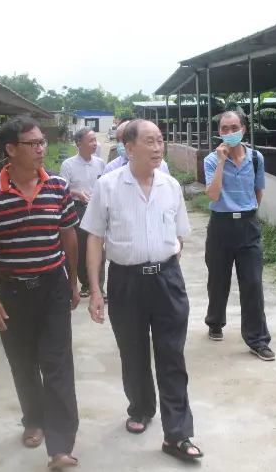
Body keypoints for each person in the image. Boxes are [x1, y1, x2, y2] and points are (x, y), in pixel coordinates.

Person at [80, 119, 203, 462]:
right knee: (133, 353)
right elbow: (94, 239)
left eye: (160, 141)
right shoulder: (107, 186)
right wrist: (96, 288)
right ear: (128, 147)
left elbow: (180, 235)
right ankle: (141, 408)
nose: (157, 147)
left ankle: (177, 434)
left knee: (172, 356)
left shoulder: (171, 186)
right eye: (149, 141)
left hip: (166, 279)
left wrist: (165, 260)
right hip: (125, 280)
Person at [0, 116, 82, 469]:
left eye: (42, 142)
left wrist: (74, 282)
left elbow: (69, 236)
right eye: (33, 144)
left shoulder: (58, 187)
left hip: (52, 288)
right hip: (13, 291)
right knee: (23, 362)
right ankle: (33, 419)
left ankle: (60, 444)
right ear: (10, 149)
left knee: (57, 362)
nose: (41, 149)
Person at [203, 111, 274, 361]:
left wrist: (249, 213)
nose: (229, 132)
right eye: (224, 128)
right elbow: (212, 195)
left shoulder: (256, 158)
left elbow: (258, 192)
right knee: (218, 280)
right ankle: (215, 322)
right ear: (219, 132)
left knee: (253, 283)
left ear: (243, 130)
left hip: (248, 226)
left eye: (234, 127)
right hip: (221, 226)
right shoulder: (211, 160)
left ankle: (258, 339)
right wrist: (222, 161)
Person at [60, 127, 106, 300]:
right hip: (77, 209)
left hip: (96, 209)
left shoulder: (100, 163)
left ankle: (100, 288)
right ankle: (85, 282)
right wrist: (76, 193)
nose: (95, 144)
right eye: (91, 140)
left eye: (95, 140)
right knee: (80, 248)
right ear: (79, 143)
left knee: (98, 247)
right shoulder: (68, 165)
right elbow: (62, 191)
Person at [104, 119, 170, 175]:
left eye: (160, 141)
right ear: (129, 148)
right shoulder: (110, 170)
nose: (157, 149)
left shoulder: (163, 166)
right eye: (118, 140)